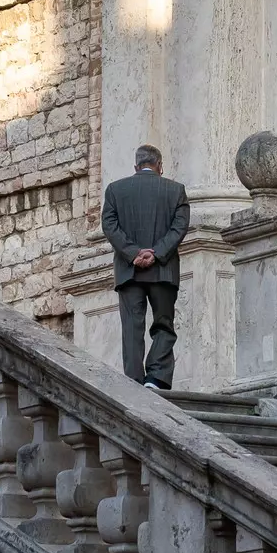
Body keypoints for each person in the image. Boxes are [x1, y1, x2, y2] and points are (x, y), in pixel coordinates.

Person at [101, 144, 190, 390]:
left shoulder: (115, 191)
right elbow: (179, 228)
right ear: (160, 166)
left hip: (129, 271)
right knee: (163, 324)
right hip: (163, 269)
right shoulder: (176, 191)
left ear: (136, 166)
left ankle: (133, 381)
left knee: (131, 328)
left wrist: (133, 254)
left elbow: (109, 225)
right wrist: (157, 253)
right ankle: (156, 378)